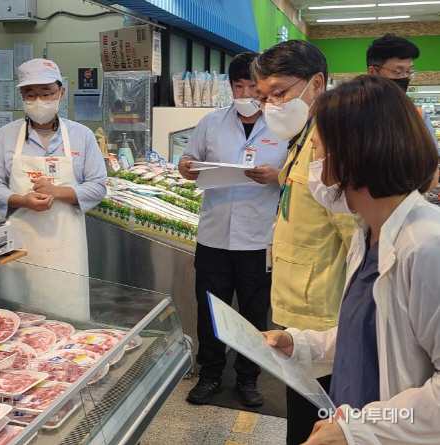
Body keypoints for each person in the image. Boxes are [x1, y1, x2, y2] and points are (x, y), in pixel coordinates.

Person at [265, 75, 440, 445]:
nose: (315, 168)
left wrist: (361, 430)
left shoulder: (426, 246)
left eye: (317, 151)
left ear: (351, 153)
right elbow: (370, 338)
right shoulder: (367, 233)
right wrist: (301, 345)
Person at [251, 40, 357, 444]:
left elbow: (360, 245)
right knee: (300, 418)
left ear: (316, 83)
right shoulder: (303, 139)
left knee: (317, 426)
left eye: (279, 92)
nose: (270, 105)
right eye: (264, 97)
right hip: (299, 314)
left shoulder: (329, 146)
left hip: (326, 321)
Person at [178, 52, 288, 407]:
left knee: (255, 312)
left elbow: (299, 178)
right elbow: (186, 161)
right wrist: (187, 167)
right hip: (213, 235)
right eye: (238, 86)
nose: (245, 94)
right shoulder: (211, 122)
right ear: (230, 86)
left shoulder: (283, 128)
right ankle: (210, 375)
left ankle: (248, 377)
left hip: (259, 238)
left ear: (265, 88)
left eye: (252, 87)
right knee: (211, 309)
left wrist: (277, 176)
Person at [0, 59, 106, 318]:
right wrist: (23, 200)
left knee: (67, 317)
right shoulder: (6, 135)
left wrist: (57, 192)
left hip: (66, 248)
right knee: (21, 319)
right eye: (31, 95)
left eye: (47, 93)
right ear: (22, 97)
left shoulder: (82, 135)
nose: (39, 101)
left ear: (61, 92)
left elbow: (97, 187)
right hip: (21, 246)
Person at [367, 33, 439, 153]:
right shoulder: (352, 112)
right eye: (397, 71)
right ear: (373, 72)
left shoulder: (418, 116)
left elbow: (432, 162)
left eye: (409, 71)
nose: (405, 77)